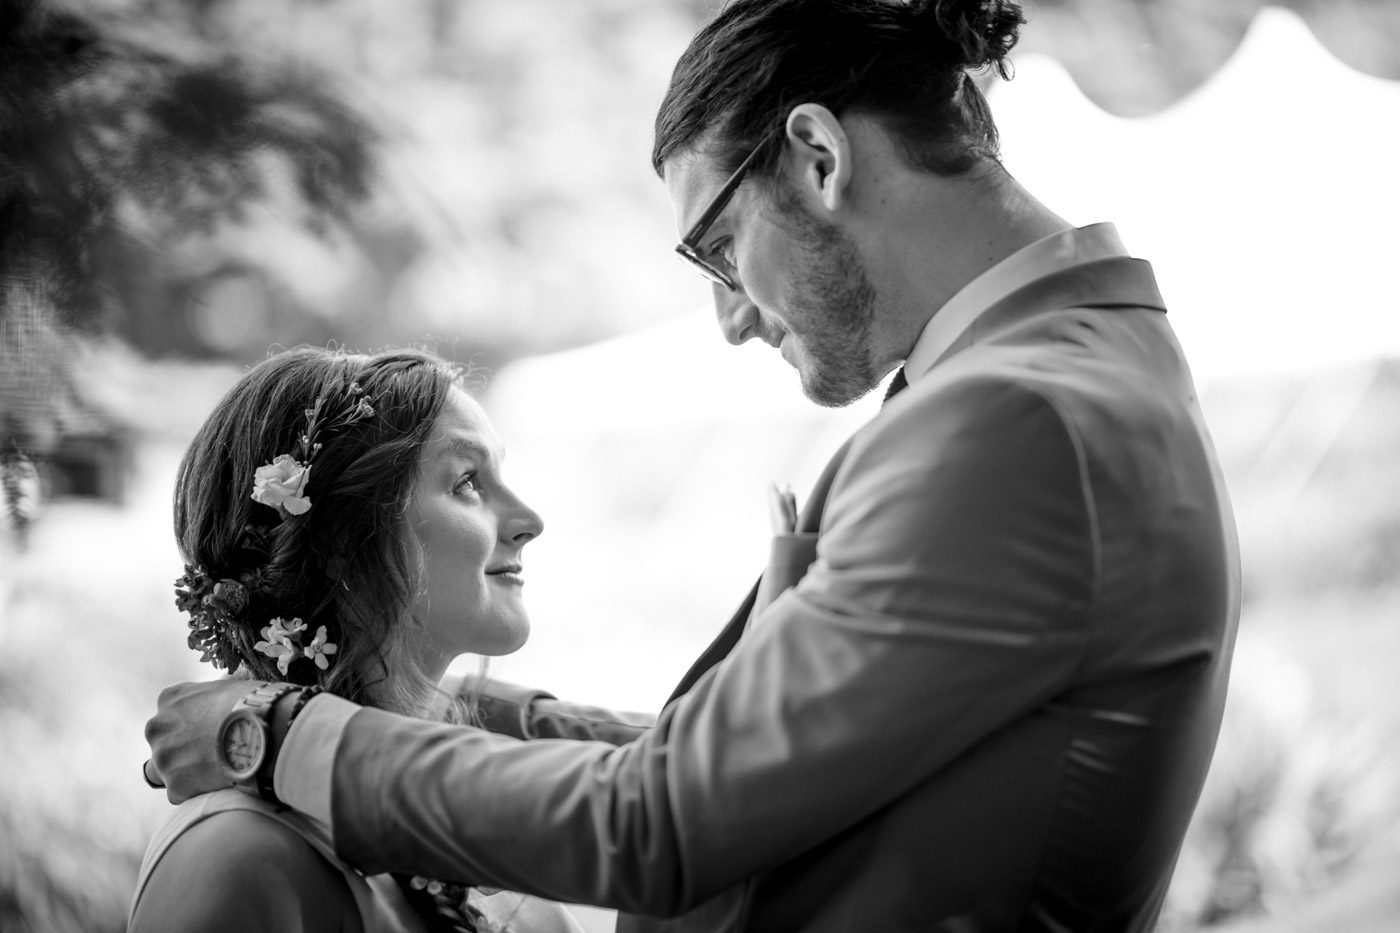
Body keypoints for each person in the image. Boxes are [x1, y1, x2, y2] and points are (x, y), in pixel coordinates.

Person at [145, 1, 1242, 930]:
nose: (727, 318)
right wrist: (483, 719)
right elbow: (810, 761)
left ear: (817, 157)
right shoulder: (1071, 368)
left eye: (717, 248)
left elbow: (660, 824)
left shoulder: (1009, 421)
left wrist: (277, 735)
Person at [128, 347, 581, 933]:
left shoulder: (464, 798)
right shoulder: (239, 856)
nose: (529, 520)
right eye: (467, 482)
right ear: (340, 539)